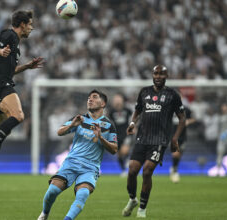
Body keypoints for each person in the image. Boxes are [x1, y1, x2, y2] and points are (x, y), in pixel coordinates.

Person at [0, 10, 44, 189]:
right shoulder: (9, 34)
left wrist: (27, 67)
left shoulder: (16, 45)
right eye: (29, 24)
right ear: (21, 25)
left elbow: (9, 70)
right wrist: (0, 51)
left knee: (4, 129)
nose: (32, 27)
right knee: (19, 116)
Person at [37, 90, 118, 220]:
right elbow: (59, 132)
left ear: (103, 103)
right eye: (88, 98)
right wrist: (72, 126)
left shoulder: (109, 125)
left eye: (94, 97)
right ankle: (45, 213)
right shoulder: (80, 118)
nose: (89, 100)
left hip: (90, 167)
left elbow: (114, 149)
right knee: (52, 191)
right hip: (71, 162)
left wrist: (101, 139)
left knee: (83, 194)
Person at [122, 65, 186, 218]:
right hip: (142, 138)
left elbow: (182, 118)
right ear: (152, 75)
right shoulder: (144, 92)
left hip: (159, 140)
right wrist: (132, 123)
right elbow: (137, 110)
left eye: (161, 74)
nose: (158, 76)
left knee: (147, 170)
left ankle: (142, 210)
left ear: (166, 76)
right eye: (156, 73)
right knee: (131, 170)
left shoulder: (172, 95)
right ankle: (132, 200)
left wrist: (175, 138)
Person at [108, 93, 133, 177]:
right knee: (119, 154)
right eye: (116, 99)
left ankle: (128, 161)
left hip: (126, 133)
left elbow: (133, 119)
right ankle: (123, 170)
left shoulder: (127, 110)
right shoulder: (111, 112)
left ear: (122, 100)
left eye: (119, 99)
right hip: (116, 135)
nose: (117, 101)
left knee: (124, 150)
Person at [169, 105, 195, 183]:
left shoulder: (186, 109)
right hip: (173, 135)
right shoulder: (169, 107)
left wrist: (188, 121)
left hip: (182, 136)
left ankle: (174, 167)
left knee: (179, 155)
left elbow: (193, 119)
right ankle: (175, 171)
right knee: (175, 154)